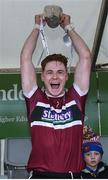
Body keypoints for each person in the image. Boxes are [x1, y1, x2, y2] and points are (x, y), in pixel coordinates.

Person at [20, 13, 92, 179]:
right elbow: (25, 58)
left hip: (72, 176)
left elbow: (86, 56)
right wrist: (37, 27)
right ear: (43, 77)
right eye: (49, 73)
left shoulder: (76, 98)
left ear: (67, 76)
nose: (54, 77)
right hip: (40, 176)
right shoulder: (35, 99)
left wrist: (68, 27)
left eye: (60, 72)